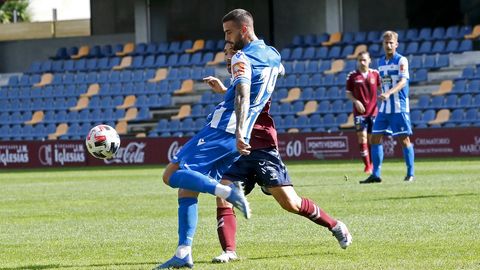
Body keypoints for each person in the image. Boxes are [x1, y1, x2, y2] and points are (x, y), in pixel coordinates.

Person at [153, 9, 283, 269]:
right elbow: (275, 75)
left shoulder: (241, 58)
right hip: (239, 131)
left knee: (170, 175)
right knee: (187, 187)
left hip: (222, 129)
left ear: (244, 30)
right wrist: (229, 97)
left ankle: (227, 191)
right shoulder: (273, 55)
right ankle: (183, 252)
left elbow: (243, 95)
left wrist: (236, 130)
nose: (227, 39)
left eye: (229, 32)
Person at [203, 38, 352, 264]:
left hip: (261, 144)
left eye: (227, 50)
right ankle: (229, 251)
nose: (224, 55)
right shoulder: (237, 74)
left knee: (290, 203)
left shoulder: (254, 69)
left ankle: (335, 225)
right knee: (223, 193)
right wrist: (224, 90)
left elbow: (251, 100)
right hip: (239, 146)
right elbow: (237, 101)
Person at [360, 30, 415, 184]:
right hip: (384, 108)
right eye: (386, 43)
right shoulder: (381, 62)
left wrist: (389, 93)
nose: (389, 45)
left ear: (396, 44)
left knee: (404, 139)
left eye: (391, 43)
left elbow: (403, 81)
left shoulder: (401, 60)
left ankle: (410, 173)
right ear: (383, 44)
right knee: (375, 138)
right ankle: (376, 174)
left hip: (399, 107)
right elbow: (382, 83)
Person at [345, 51, 381, 174]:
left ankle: (372, 163)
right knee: (362, 138)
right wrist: (356, 101)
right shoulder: (353, 76)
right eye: (360, 60)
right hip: (359, 113)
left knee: (372, 139)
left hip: (373, 112)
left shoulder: (375, 74)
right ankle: (367, 165)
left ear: (370, 60)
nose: (362, 62)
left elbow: (382, 88)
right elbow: (348, 92)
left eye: (364, 60)